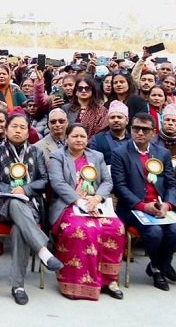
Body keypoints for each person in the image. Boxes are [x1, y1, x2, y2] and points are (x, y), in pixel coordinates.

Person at [0, 113, 63, 305]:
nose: (17, 130)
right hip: (1, 205)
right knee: (16, 202)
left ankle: (18, 286)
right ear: (7, 128)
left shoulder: (35, 152)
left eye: (22, 127)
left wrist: (25, 189)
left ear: (28, 132)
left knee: (20, 228)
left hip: (29, 205)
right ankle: (43, 250)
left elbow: (44, 180)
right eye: (14, 126)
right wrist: (10, 190)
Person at [47, 124, 125, 301]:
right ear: (67, 138)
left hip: (95, 203)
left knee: (115, 228)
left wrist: (97, 198)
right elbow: (58, 183)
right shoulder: (58, 156)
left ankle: (109, 280)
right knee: (81, 230)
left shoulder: (96, 156)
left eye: (82, 136)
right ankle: (75, 283)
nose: (79, 140)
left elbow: (107, 181)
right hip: (69, 204)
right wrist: (79, 201)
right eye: (74, 136)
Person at [111, 112, 176, 291]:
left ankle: (157, 264)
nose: (140, 133)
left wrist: (168, 204)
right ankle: (160, 269)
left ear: (153, 132)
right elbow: (120, 187)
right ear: (131, 130)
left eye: (145, 129)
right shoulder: (120, 153)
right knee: (155, 233)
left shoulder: (163, 153)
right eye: (136, 128)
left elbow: (172, 184)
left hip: (161, 206)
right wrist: (143, 206)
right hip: (134, 208)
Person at [89, 100, 131, 165]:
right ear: (108, 120)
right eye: (112, 117)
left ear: (127, 121)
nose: (116, 120)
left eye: (119, 117)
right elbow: (94, 163)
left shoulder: (134, 140)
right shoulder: (97, 140)